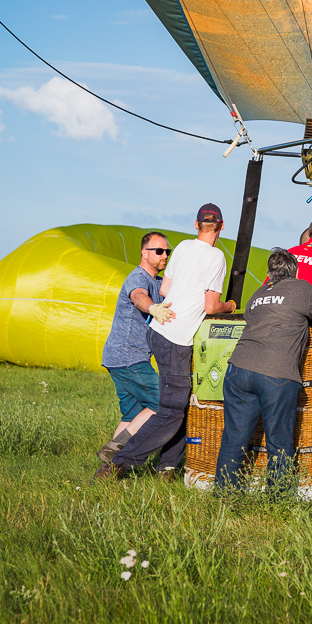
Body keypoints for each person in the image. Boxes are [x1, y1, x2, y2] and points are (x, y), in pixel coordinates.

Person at [96, 204, 236, 482]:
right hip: (177, 338)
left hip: (159, 331)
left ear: (196, 225)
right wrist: (229, 306)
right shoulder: (217, 257)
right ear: (221, 227)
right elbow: (210, 305)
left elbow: (164, 290)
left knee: (179, 406)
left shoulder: (183, 246)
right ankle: (118, 464)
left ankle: (168, 468)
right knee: (170, 410)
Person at [215, 248, 312, 492]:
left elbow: (251, 317)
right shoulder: (301, 288)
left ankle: (225, 493)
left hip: (238, 368)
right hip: (276, 373)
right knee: (279, 441)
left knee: (234, 437)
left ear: (269, 274)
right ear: (296, 271)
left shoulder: (258, 293)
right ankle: (278, 500)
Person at [97, 231, 174, 464]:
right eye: (159, 251)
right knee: (164, 403)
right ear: (144, 253)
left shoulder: (159, 283)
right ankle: (116, 449)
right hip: (129, 358)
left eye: (167, 252)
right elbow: (138, 296)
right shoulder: (138, 277)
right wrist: (153, 309)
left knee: (132, 413)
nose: (164, 256)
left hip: (118, 358)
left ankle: (110, 466)